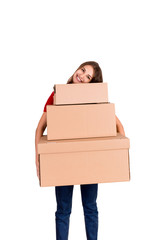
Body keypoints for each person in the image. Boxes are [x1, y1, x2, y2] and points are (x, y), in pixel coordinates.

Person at [35, 61, 125, 240]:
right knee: (63, 210)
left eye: (88, 77)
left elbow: (118, 126)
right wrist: (38, 158)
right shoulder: (57, 95)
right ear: (77, 68)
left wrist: (116, 155)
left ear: (91, 84)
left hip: (88, 159)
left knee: (90, 207)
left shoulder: (94, 99)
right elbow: (39, 128)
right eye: (83, 70)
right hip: (62, 159)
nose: (82, 76)